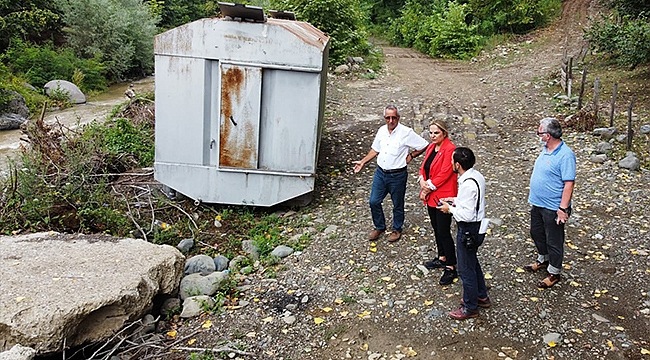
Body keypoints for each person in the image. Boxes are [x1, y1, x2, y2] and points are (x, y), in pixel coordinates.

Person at [353, 105, 429, 242]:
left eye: (394, 117)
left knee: (397, 204)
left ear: (398, 118)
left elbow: (424, 144)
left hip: (398, 175)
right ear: (384, 118)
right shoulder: (381, 130)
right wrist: (363, 162)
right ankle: (379, 226)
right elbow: (375, 149)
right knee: (374, 201)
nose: (391, 120)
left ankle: (397, 229)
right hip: (380, 173)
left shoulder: (406, 132)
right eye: (388, 118)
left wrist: (411, 155)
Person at [437, 147, 489, 320]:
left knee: (465, 270)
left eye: (452, 161)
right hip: (478, 226)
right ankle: (481, 295)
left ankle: (470, 306)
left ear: (458, 165)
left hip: (468, 229)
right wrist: (456, 200)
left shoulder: (466, 185)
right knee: (472, 262)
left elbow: (467, 214)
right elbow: (472, 203)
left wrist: (449, 208)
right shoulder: (477, 177)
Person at [524, 117, 576, 288]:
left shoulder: (565, 155)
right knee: (536, 232)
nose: (538, 134)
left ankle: (554, 272)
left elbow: (569, 183)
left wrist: (563, 208)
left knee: (554, 239)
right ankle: (543, 259)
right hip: (538, 203)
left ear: (548, 135)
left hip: (553, 206)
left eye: (540, 131)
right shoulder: (545, 149)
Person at [418, 120, 458, 285]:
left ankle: (451, 265)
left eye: (436, 133)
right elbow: (423, 167)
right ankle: (442, 256)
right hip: (431, 195)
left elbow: (445, 173)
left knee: (443, 230)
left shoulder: (450, 149)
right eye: (431, 132)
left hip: (443, 195)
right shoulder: (430, 147)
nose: (433, 136)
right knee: (436, 227)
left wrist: (426, 189)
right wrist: (422, 180)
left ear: (444, 133)